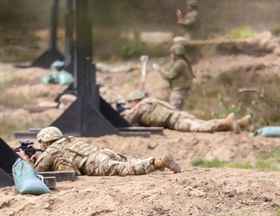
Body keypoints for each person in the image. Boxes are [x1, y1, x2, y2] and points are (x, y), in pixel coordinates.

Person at [18, 125, 181, 176]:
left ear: (47, 140)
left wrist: (26, 162)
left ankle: (159, 162)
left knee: (125, 169)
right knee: (129, 162)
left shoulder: (52, 150)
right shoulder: (68, 140)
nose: (40, 146)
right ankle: (159, 163)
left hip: (94, 162)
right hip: (102, 152)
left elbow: (37, 172)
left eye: (41, 142)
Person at [121, 91, 253, 134]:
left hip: (175, 120)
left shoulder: (142, 105)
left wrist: (124, 112)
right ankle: (241, 122)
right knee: (205, 123)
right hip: (179, 115)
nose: (130, 105)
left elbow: (127, 120)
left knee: (201, 128)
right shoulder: (150, 101)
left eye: (130, 102)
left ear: (135, 101)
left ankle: (229, 121)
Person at [152, 43, 193, 110]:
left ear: (176, 54)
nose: (171, 55)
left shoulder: (180, 64)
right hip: (180, 89)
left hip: (179, 90)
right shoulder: (179, 62)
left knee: (174, 110)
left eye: (172, 53)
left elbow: (169, 75)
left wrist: (160, 70)